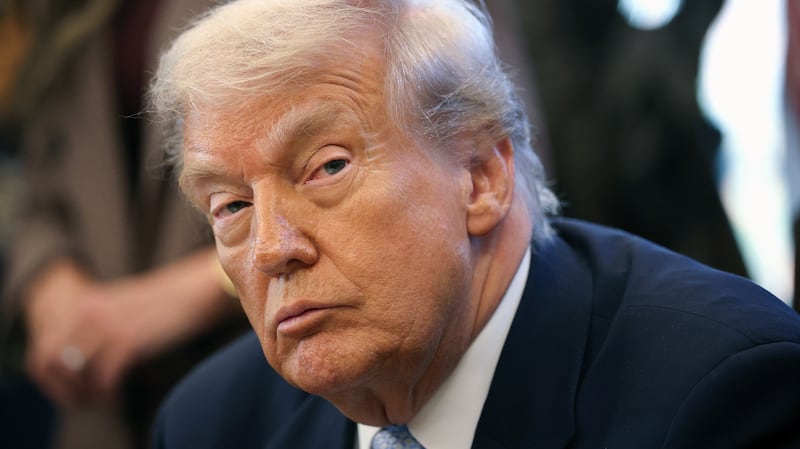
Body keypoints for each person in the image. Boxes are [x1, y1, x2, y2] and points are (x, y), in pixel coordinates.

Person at [148, 0, 800, 448]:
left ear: (482, 175)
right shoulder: (208, 422)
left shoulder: (718, 396)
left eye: (326, 168)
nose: (270, 250)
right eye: (231, 206)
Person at [1, 0, 247, 448]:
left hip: (248, 376)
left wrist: (194, 292)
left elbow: (333, 177)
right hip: (99, 404)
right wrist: (52, 284)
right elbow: (41, 190)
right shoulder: (59, 15)